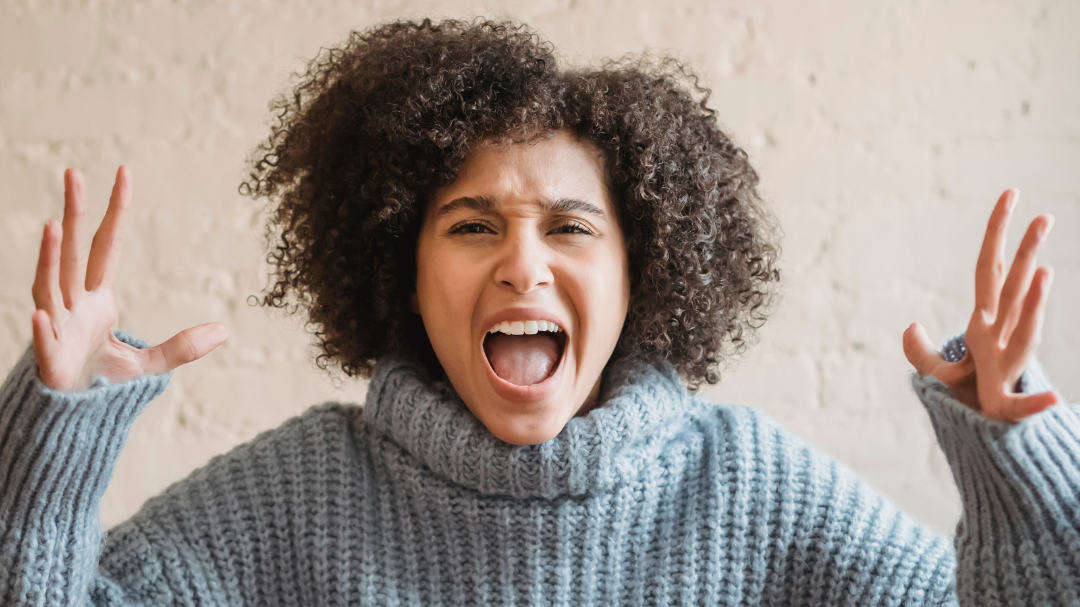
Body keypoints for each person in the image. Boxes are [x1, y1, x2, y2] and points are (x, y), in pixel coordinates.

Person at [0, 17, 1076, 606]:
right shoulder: (298, 497)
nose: (522, 265)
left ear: (637, 273)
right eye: (471, 226)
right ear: (401, 271)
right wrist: (54, 451)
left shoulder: (749, 487)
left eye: (570, 228)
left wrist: (1017, 467)